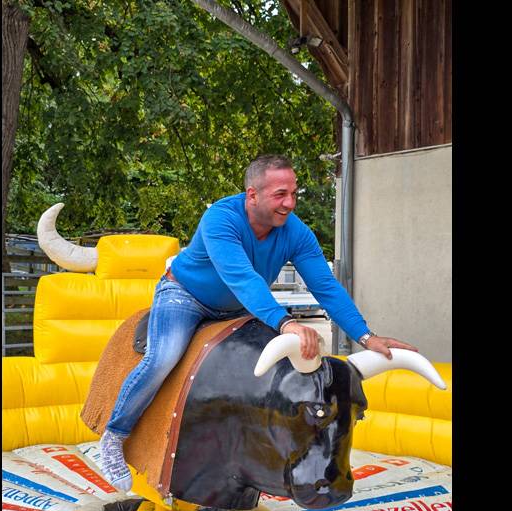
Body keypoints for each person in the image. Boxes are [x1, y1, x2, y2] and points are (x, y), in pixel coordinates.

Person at [99, 154, 417, 490]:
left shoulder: (296, 233)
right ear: (252, 195)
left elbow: (325, 286)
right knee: (163, 357)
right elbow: (242, 278)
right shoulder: (220, 218)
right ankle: (114, 435)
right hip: (186, 296)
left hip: (238, 307)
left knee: (267, 375)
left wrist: (366, 336)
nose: (290, 203)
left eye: (293, 193)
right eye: (280, 194)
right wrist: (286, 323)